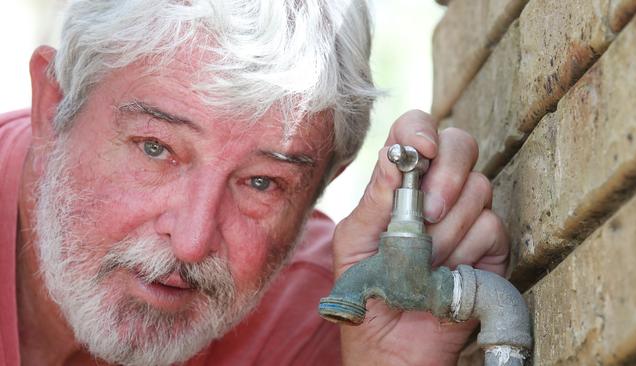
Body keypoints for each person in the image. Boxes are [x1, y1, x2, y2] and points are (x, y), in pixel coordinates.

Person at [0, 1, 509, 365]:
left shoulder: (331, 322)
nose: (193, 241)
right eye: (156, 148)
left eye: (262, 183)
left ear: (321, 189)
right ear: (54, 105)